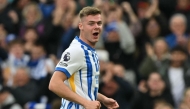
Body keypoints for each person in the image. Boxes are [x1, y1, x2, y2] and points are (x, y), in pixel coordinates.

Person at [49, 6, 119, 109]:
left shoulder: (91, 51)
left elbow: (82, 89)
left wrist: (103, 99)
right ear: (81, 26)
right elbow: (54, 84)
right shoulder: (76, 51)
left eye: (99, 23)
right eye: (91, 23)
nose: (96, 26)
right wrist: (85, 103)